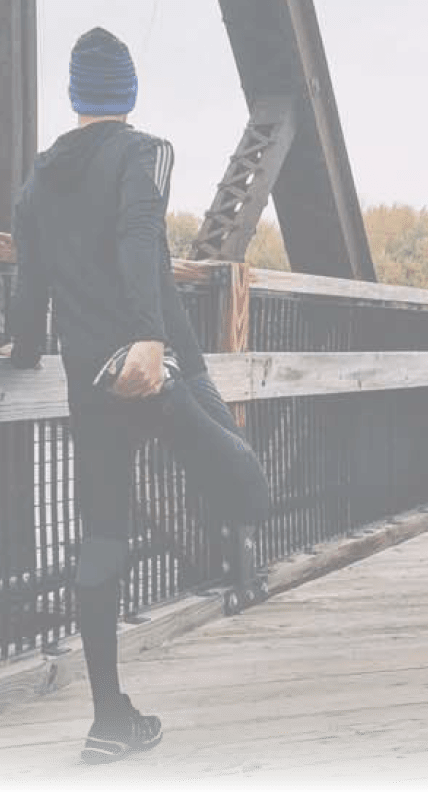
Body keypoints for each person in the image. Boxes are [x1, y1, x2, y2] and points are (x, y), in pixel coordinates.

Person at [3, 27, 271, 764]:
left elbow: (30, 292)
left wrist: (20, 351)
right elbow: (136, 232)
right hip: (154, 368)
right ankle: (234, 576)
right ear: (126, 93)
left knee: (102, 537)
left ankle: (109, 717)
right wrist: (152, 342)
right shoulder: (145, 152)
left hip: (88, 381)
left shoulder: (34, 184)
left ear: (74, 95)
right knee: (248, 493)